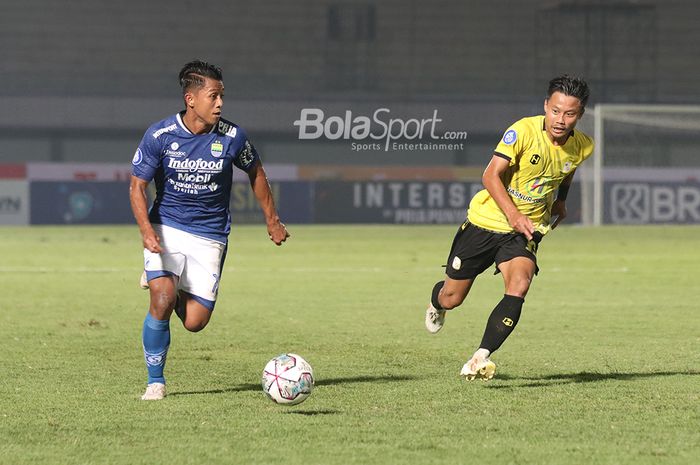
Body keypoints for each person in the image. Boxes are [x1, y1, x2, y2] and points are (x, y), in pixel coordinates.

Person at [129, 60, 289, 400]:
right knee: (162, 298)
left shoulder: (233, 137)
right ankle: (155, 381)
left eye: (222, 97)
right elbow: (136, 186)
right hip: (167, 227)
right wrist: (146, 230)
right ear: (191, 99)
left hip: (210, 235)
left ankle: (166, 279)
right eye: (213, 96)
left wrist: (272, 220)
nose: (220, 104)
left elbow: (256, 173)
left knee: (194, 322)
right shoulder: (160, 135)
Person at [425, 75, 593, 381]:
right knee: (452, 297)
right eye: (555, 110)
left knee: (520, 284)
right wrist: (514, 214)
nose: (560, 119)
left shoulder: (582, 145)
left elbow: (566, 171)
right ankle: (437, 303)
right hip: (485, 223)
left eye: (569, 113)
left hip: (525, 230)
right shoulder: (523, 131)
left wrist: (561, 201)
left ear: (579, 115)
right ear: (546, 106)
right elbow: (490, 176)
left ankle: (479, 357)